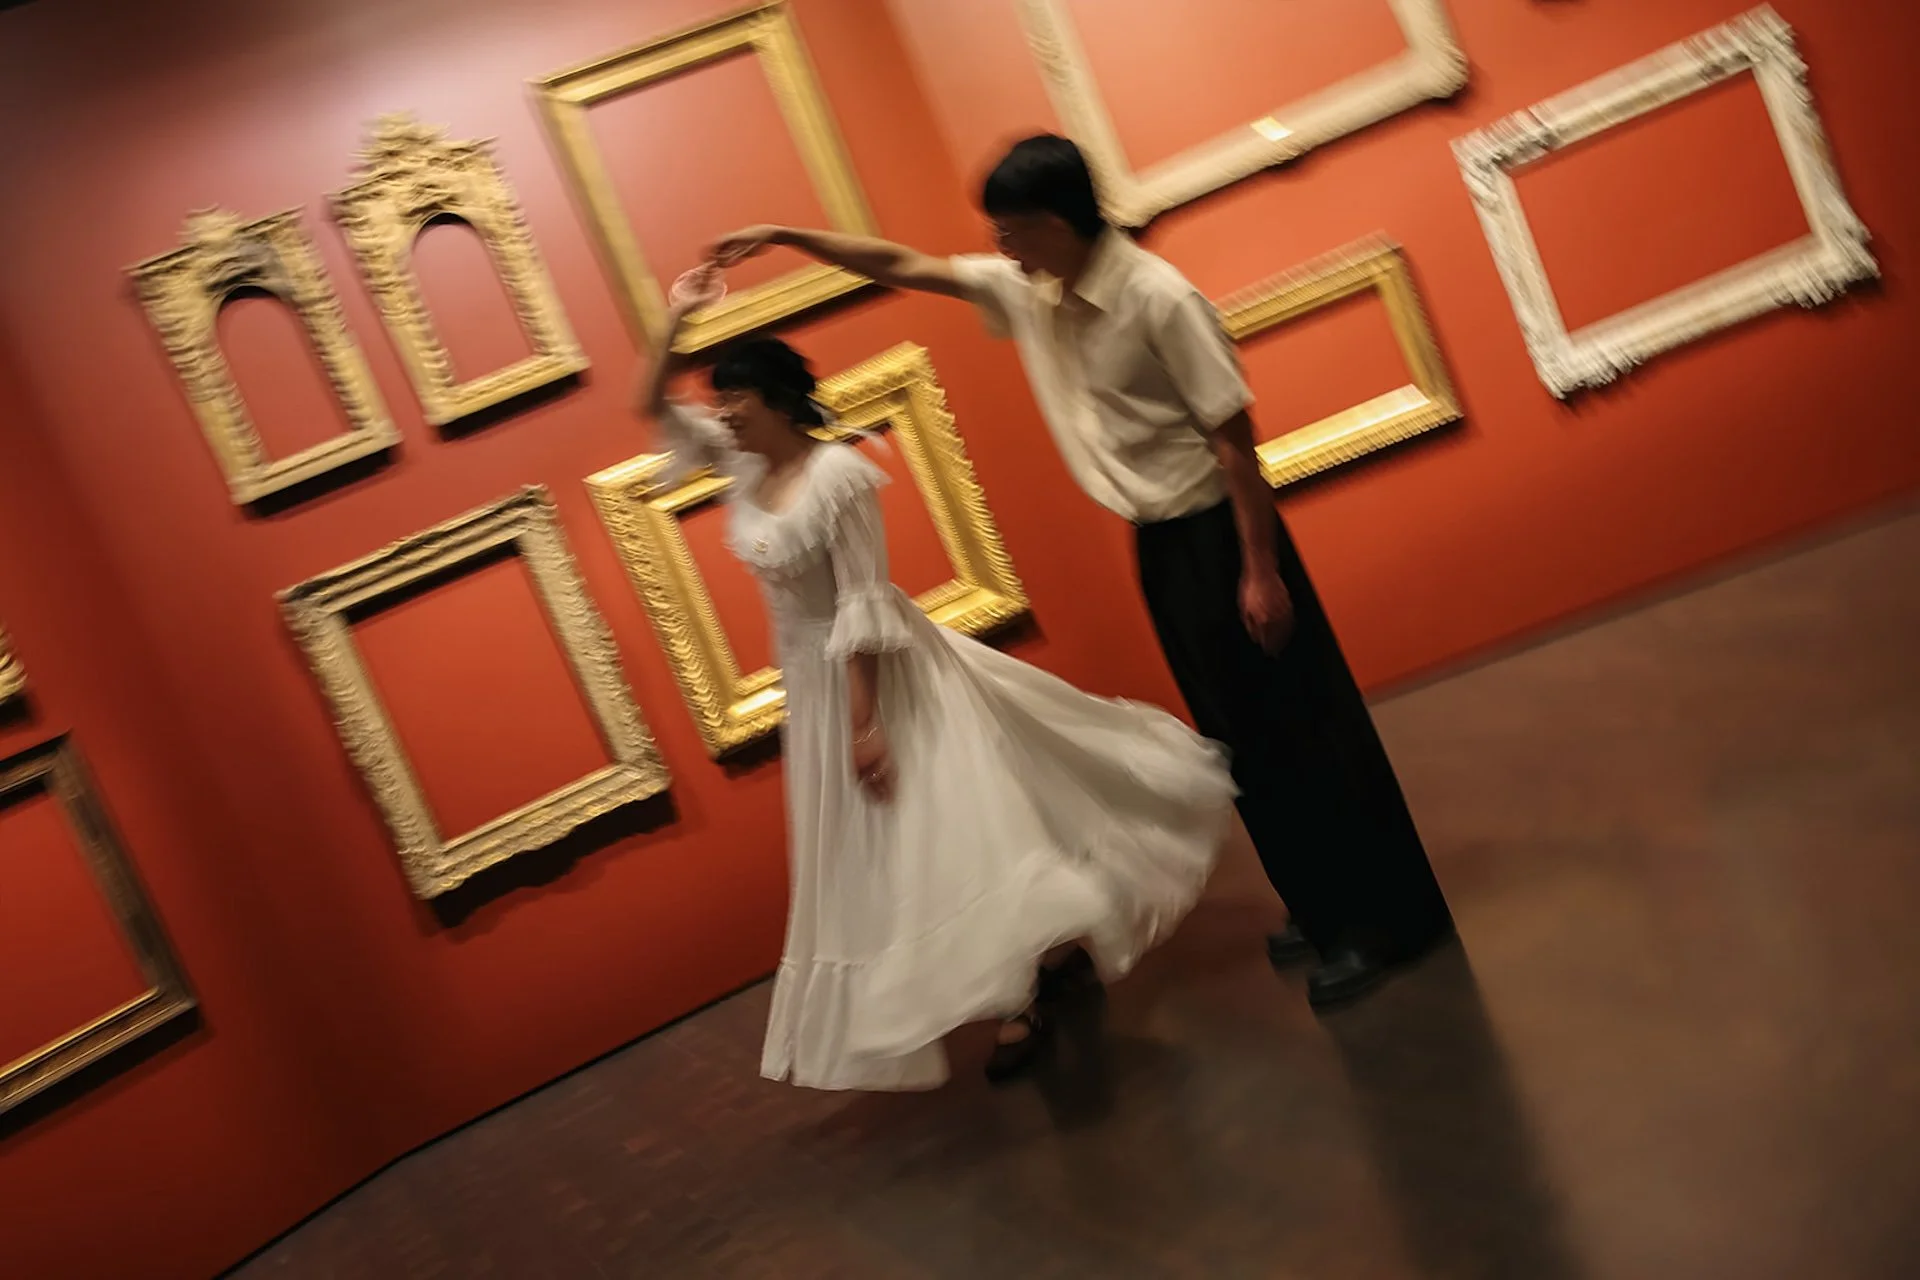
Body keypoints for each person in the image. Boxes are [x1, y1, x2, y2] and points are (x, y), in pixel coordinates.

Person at [710, 134, 1455, 1010]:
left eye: (1012, 228)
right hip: (1164, 543)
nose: (999, 245)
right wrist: (788, 233)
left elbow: (1233, 440)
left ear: (1058, 222)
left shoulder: (1157, 297)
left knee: (1307, 731)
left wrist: (1261, 573)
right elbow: (900, 263)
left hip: (1225, 535)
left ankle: (1387, 923)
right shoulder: (1033, 289)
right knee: (1241, 735)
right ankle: (1321, 907)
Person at [634, 263, 1237, 1090]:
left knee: (946, 827)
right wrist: (677, 316)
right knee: (902, 843)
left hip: (883, 679)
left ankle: (1016, 994)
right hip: (811, 685)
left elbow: (863, 606)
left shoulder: (840, 477)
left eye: (733, 401)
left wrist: (866, 723)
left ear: (772, 400)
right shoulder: (740, 464)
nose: (721, 416)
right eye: (719, 403)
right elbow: (648, 404)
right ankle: (1031, 962)